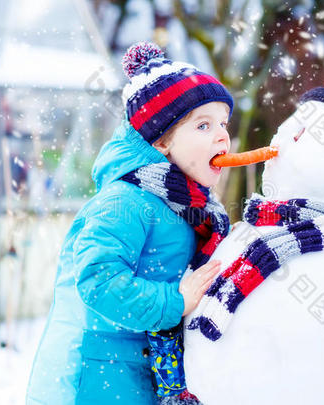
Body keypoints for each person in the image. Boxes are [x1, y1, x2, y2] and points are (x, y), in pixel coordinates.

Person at [26, 42, 233, 404]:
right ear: (163, 140)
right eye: (203, 125)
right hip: (102, 372)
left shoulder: (190, 207)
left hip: (145, 367)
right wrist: (174, 301)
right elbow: (97, 279)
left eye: (223, 124)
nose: (222, 136)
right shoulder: (124, 202)